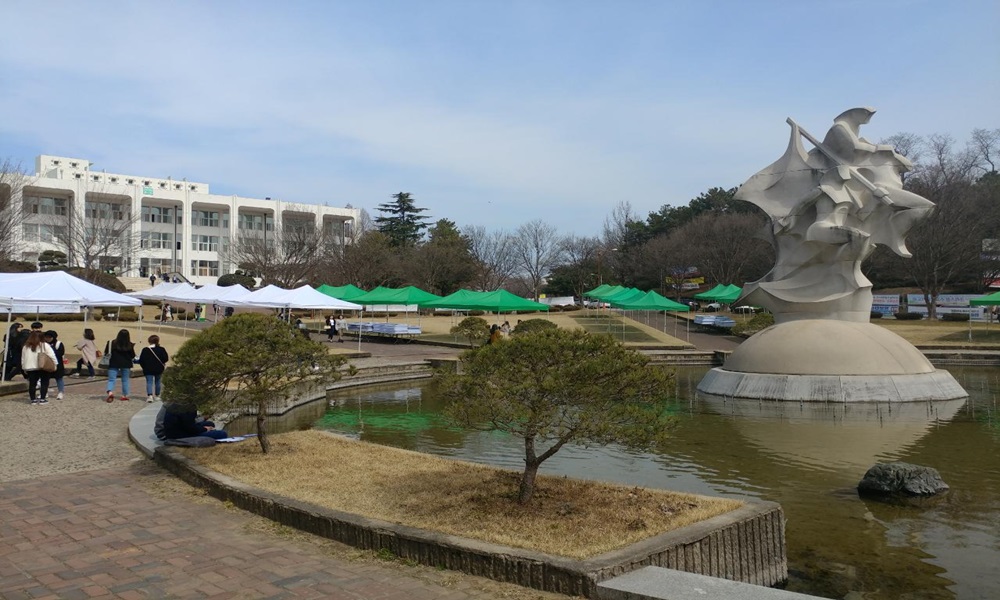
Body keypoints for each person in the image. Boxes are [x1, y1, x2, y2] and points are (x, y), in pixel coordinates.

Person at [21, 330, 57, 405]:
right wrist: (55, 364)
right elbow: (52, 355)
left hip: (30, 367)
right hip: (42, 366)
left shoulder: (26, 346)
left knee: (32, 384)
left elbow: (23, 358)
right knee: (44, 383)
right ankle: (42, 399)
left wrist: (24, 367)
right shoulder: (44, 345)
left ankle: (33, 399)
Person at [159, 403, 229, 440]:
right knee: (222, 434)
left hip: (178, 430)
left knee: (210, 423)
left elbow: (189, 423)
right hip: (180, 435)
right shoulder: (188, 407)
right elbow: (191, 428)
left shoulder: (175, 404)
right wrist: (205, 429)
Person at [106, 329, 136, 402]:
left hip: (113, 362)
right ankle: (124, 395)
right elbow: (132, 355)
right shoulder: (130, 345)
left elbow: (106, 352)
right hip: (126, 363)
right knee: (125, 380)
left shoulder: (111, 343)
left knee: (111, 379)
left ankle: (110, 391)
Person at [138, 335, 169, 403]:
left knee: (149, 382)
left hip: (148, 368)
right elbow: (166, 358)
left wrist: (144, 367)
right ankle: (157, 395)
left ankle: (150, 396)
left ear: (149, 341)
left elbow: (141, 360)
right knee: (158, 381)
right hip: (159, 368)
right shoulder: (161, 349)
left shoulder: (145, 350)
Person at [43, 330, 66, 400]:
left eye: (49, 337)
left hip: (58, 364)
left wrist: (51, 351)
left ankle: (60, 392)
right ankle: (44, 392)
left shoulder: (58, 344)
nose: (48, 339)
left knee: (59, 378)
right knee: (45, 379)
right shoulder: (43, 344)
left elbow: (61, 353)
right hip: (46, 364)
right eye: (46, 337)